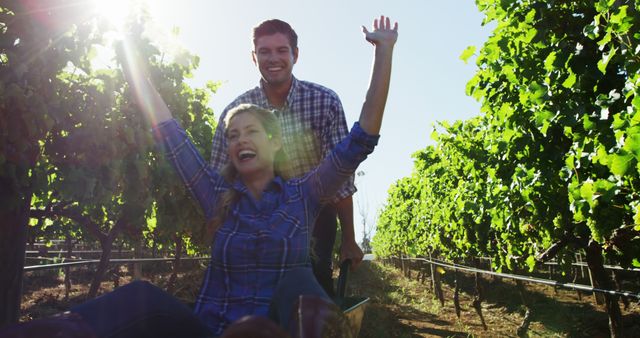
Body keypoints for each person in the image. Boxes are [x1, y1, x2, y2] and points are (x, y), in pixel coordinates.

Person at [0, 15, 398, 338]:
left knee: (300, 284)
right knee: (140, 296)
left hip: (276, 325)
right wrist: (129, 57)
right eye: (233, 134)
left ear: (276, 145)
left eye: (252, 131)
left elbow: (362, 137)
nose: (241, 138)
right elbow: (167, 128)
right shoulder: (215, 194)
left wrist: (384, 52)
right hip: (210, 329)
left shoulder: (304, 194)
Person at [209, 18, 362, 296]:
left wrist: (349, 239)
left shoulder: (324, 101)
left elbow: (340, 178)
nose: (273, 58)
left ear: (295, 55)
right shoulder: (235, 112)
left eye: (282, 50)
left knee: (313, 283)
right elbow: (220, 180)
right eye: (265, 52)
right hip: (255, 214)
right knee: (259, 291)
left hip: (314, 214)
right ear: (254, 57)